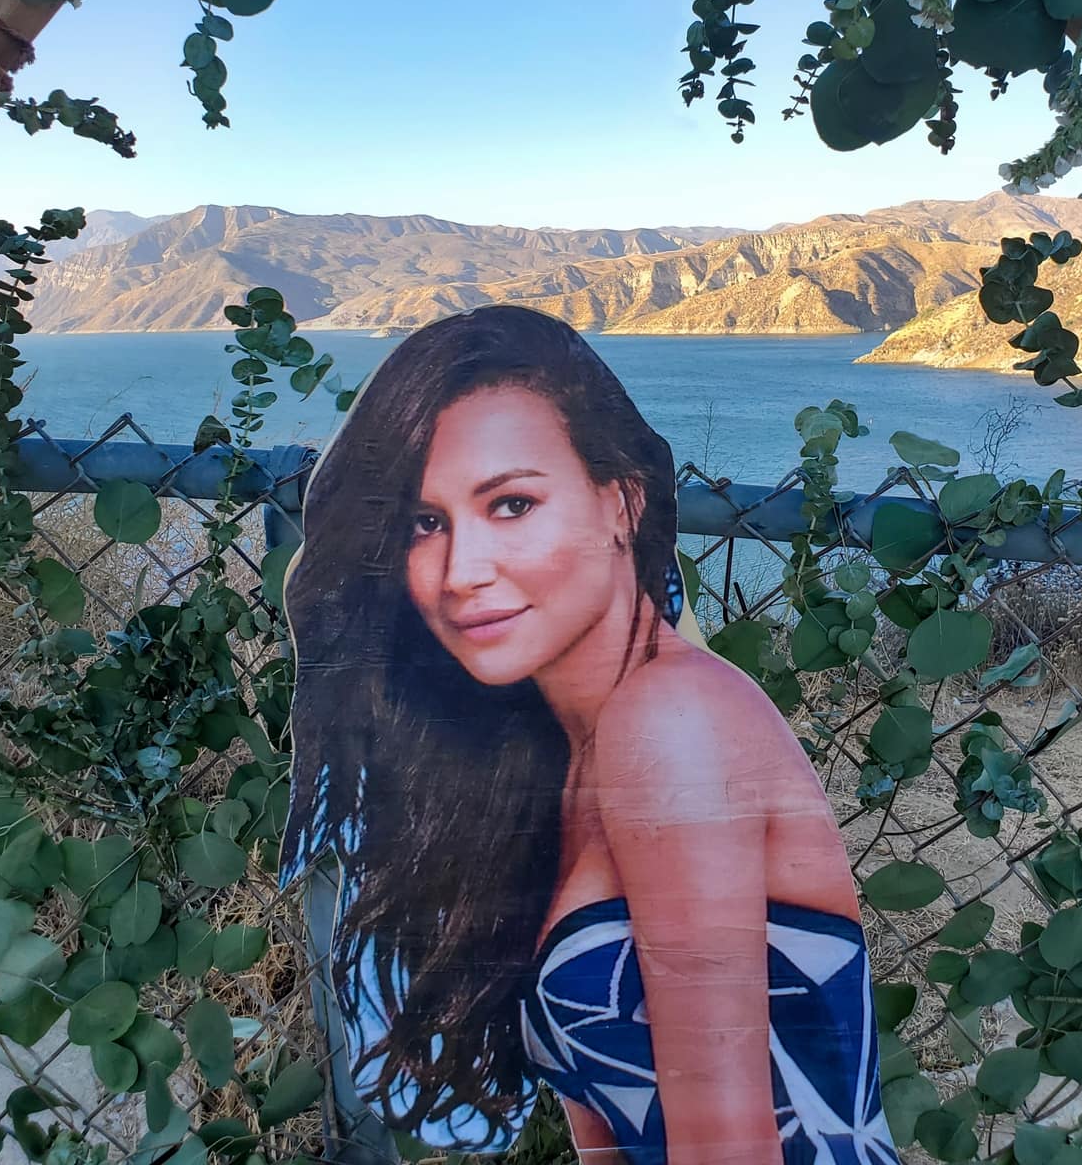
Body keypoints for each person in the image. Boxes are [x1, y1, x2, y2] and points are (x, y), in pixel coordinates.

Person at [281, 306, 897, 1165]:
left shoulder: (671, 724)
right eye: (426, 522)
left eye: (512, 503)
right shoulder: (558, 756)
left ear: (622, 503)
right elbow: (608, 1137)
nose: (461, 573)